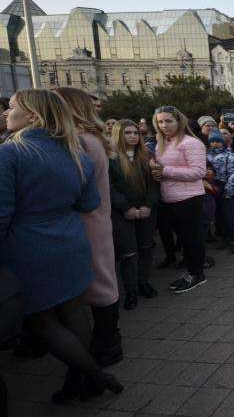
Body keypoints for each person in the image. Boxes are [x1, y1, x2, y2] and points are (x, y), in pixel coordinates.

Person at [0, 89, 123, 403]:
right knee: (74, 313)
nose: (6, 113)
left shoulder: (10, 153)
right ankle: (83, 378)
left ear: (33, 114)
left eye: (12, 107)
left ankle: (94, 375)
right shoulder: (74, 152)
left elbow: (2, 214)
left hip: (28, 248)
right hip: (71, 241)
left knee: (42, 322)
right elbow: (89, 202)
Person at [53, 87, 122, 368]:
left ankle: (107, 343)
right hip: (97, 219)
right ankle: (108, 341)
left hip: (88, 220)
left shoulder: (80, 141)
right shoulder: (91, 138)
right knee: (104, 280)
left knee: (100, 285)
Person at [150, 105, 207, 293]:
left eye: (168, 121)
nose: (164, 125)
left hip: (190, 198)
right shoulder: (162, 143)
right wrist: (157, 173)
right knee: (183, 239)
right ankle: (191, 271)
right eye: (160, 121)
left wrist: (164, 171)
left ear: (178, 121)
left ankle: (197, 274)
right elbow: (161, 171)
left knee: (192, 239)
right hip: (170, 198)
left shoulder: (192, 143)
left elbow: (199, 172)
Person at [110, 120, 160, 310]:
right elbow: (110, 187)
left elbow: (154, 184)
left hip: (147, 211)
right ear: (118, 135)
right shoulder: (110, 158)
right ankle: (130, 291)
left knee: (146, 247)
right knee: (128, 253)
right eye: (127, 133)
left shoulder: (146, 155)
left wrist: (148, 205)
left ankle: (143, 283)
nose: (132, 136)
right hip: (123, 213)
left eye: (135, 133)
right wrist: (126, 208)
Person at [207, 130, 234, 254]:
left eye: (217, 141)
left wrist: (229, 190)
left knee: (229, 215)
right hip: (211, 187)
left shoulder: (229, 155)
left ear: (222, 142)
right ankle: (224, 237)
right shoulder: (207, 154)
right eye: (212, 141)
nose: (215, 143)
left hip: (225, 186)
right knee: (218, 216)